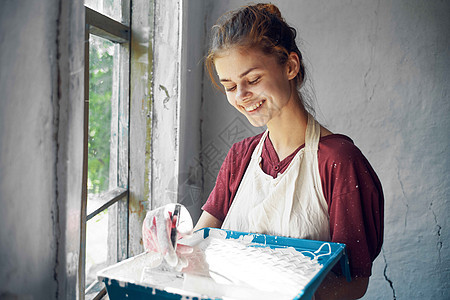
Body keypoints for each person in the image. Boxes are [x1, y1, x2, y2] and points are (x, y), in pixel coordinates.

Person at [143, 3, 384, 300]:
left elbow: (354, 284)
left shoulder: (339, 161)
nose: (242, 97)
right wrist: (172, 243)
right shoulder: (240, 157)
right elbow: (198, 243)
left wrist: (277, 285)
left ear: (290, 66)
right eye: (230, 86)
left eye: (253, 80)